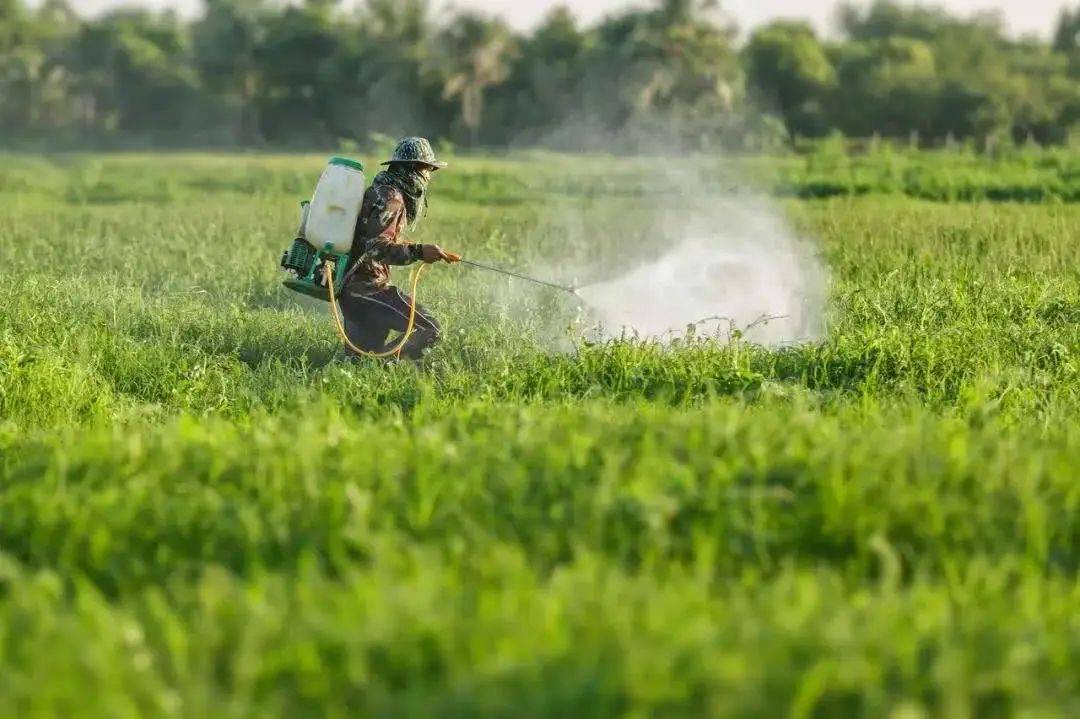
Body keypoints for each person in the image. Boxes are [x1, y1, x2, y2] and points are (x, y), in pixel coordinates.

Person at [338, 137, 458, 360]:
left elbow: (373, 239)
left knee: (358, 362)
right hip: (369, 290)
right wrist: (419, 252)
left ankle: (376, 363)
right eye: (428, 169)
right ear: (414, 169)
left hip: (351, 291)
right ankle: (385, 361)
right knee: (430, 329)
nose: (429, 176)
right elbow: (376, 248)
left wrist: (422, 249)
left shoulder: (379, 191)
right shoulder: (392, 198)